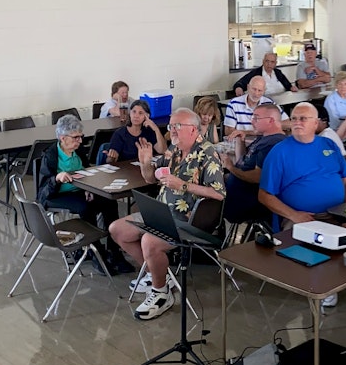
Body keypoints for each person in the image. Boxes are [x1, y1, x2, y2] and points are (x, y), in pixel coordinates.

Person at [111, 109, 226, 321]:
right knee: (118, 229)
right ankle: (156, 275)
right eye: (170, 126)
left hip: (189, 221)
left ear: (193, 129)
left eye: (176, 126)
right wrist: (145, 164)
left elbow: (218, 194)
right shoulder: (174, 149)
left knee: (150, 241)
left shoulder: (208, 153)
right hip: (162, 211)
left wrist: (183, 185)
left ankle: (161, 293)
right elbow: (150, 180)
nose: (171, 130)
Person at [258, 101, 346, 228]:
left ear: (315, 123)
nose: (297, 122)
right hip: (302, 218)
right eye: (293, 118)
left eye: (303, 118)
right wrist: (293, 215)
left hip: (338, 214)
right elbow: (264, 195)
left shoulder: (329, 144)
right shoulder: (280, 152)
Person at [219, 103, 285, 224]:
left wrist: (230, 167)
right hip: (237, 193)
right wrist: (240, 140)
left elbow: (257, 177)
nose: (252, 121)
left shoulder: (273, 143)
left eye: (256, 118)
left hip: (246, 202)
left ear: (270, 120)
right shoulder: (264, 138)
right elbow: (244, 162)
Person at [105, 96, 167, 162]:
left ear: (147, 116)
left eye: (140, 113)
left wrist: (156, 129)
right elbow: (111, 160)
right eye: (134, 112)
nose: (136, 116)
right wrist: (111, 157)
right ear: (130, 114)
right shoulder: (120, 133)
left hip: (145, 167)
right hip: (125, 170)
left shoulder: (149, 131)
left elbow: (162, 150)